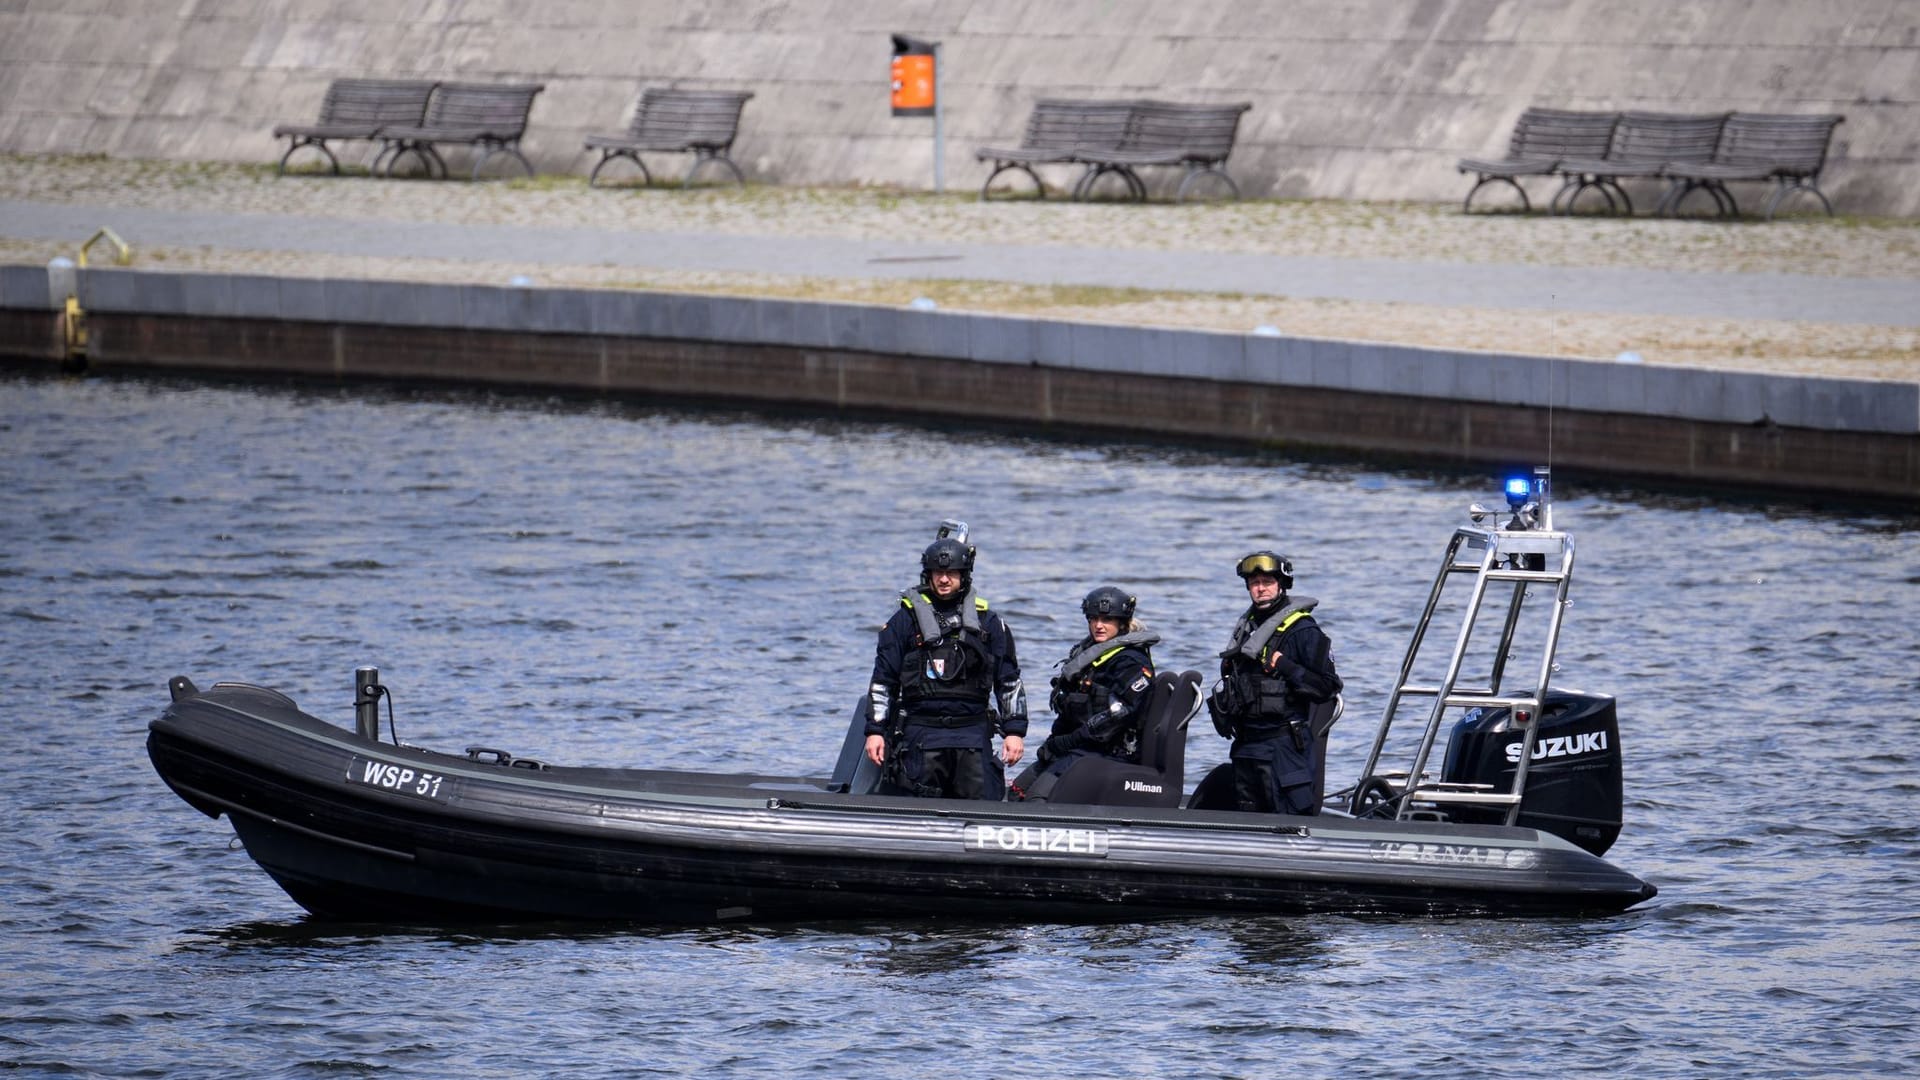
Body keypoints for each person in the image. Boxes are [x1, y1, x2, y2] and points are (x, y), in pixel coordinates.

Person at [864, 535, 1027, 799]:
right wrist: (875, 732)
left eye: (951, 573)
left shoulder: (989, 623)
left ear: (964, 576)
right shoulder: (904, 622)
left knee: (984, 804)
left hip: (972, 735)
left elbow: (1008, 681)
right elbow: (884, 681)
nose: (944, 580)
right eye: (938, 572)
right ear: (928, 575)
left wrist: (1014, 732)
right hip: (921, 735)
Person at [1206, 550, 1342, 815]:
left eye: (1267, 582)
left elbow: (1327, 687)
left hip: (1284, 750)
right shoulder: (1247, 629)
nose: (1260, 589)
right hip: (1246, 748)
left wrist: (1284, 665)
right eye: (1254, 583)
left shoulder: (1303, 630)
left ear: (1282, 584)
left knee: (1287, 822)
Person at [1033, 586, 1159, 772]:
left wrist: (1068, 742)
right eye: (1094, 619)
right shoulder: (1088, 656)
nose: (1099, 625)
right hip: (1081, 748)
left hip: (1111, 753)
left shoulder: (1132, 661)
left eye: (1107, 619)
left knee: (1038, 796)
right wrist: (1054, 742)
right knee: (1019, 789)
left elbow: (1119, 714)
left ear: (1122, 623)